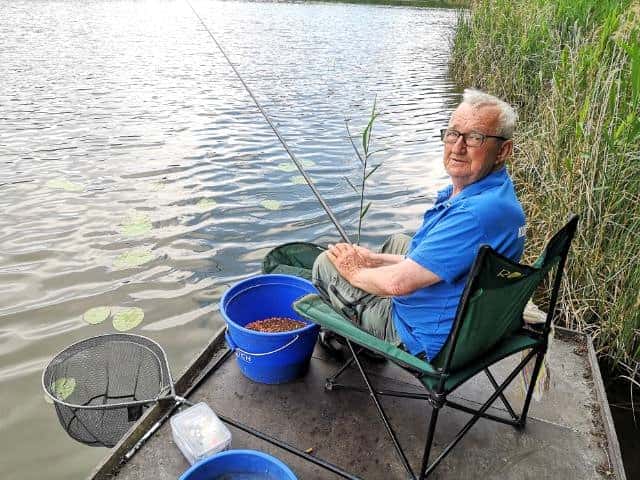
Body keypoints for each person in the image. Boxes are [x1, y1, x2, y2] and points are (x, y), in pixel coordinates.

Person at [312, 88, 526, 361]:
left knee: (325, 264)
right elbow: (449, 259)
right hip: (467, 322)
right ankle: (366, 291)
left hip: (421, 337)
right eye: (453, 134)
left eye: (475, 137)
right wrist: (375, 260)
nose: (457, 147)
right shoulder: (496, 193)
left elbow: (397, 284)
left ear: (503, 150)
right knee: (399, 241)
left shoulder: (474, 214)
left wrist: (353, 271)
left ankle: (362, 343)